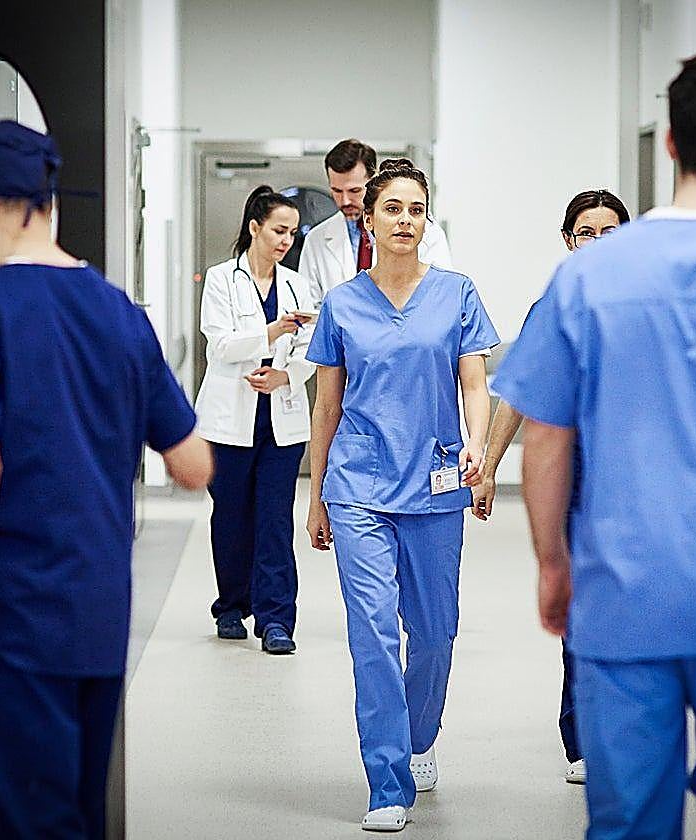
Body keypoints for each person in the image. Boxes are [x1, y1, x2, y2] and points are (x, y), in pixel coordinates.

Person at [492, 52, 696, 839]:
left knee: (630, 816)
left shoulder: (587, 280)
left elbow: (546, 440)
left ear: (669, 142)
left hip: (623, 591)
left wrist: (553, 565)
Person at [0, 120, 213, 839]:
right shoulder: (120, 315)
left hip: (10, 613)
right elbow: (194, 465)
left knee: (25, 820)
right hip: (97, 611)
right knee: (74, 811)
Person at [305, 158, 499, 832]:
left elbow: (475, 383)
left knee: (436, 633)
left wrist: (480, 445)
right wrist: (316, 495)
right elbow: (326, 407)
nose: (405, 221)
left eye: (416, 210)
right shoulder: (342, 303)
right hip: (358, 483)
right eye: (393, 209)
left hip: (437, 481)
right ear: (369, 217)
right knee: (373, 636)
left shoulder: (457, 293)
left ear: (427, 218)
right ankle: (386, 781)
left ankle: (419, 737)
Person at [471, 188, 631, 786]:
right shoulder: (552, 309)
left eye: (608, 231)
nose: (595, 242)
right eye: (585, 231)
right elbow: (516, 393)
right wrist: (487, 467)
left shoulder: (644, 304)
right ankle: (583, 737)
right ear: (567, 241)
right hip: (578, 479)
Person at [195, 186, 317, 653]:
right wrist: (271, 332)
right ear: (254, 228)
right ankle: (230, 607)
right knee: (230, 517)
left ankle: (276, 620)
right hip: (229, 420)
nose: (286, 239)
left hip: (280, 420)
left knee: (274, 521)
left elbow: (311, 349)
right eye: (278, 230)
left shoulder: (297, 284)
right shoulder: (223, 279)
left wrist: (286, 375)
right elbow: (220, 345)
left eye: (291, 232)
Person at [299, 139, 453, 307]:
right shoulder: (317, 238)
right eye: (336, 191)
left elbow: (441, 297)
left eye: (354, 191)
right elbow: (309, 310)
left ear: (372, 182)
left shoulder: (426, 232)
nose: (345, 201)